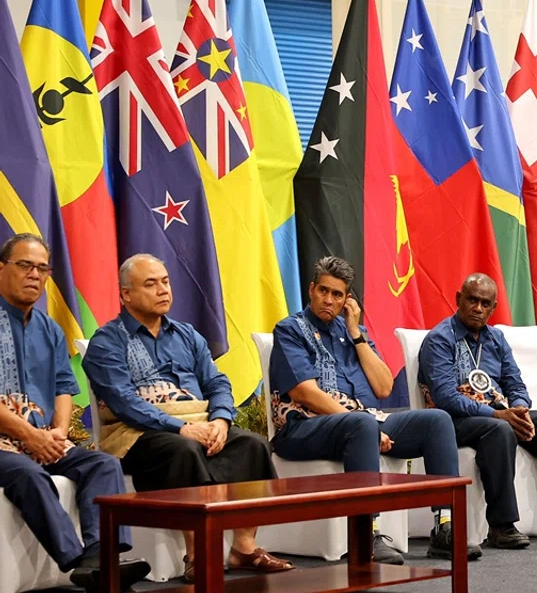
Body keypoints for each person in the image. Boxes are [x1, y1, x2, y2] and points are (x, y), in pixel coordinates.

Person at [82, 254, 293, 582]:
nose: (163, 290)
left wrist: (222, 421)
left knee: (251, 444)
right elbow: (123, 402)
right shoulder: (107, 342)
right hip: (139, 434)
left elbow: (217, 382)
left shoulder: (187, 335)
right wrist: (181, 427)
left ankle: (244, 548)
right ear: (126, 295)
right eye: (150, 284)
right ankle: (197, 555)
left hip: (200, 423)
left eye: (165, 281)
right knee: (183, 449)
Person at [270, 256, 478, 563]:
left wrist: (356, 335)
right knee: (362, 425)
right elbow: (306, 393)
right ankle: (367, 534)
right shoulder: (290, 330)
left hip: (362, 423)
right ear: (311, 290)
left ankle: (445, 527)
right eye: (323, 291)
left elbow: (382, 388)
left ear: (347, 300)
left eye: (337, 295)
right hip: (303, 427)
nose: (329, 300)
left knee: (436, 421)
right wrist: (365, 424)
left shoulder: (353, 333)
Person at [0, 234, 149, 592]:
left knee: (103, 464)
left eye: (42, 268)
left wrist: (58, 432)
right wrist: (29, 435)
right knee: (28, 474)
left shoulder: (49, 327)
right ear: (1, 268)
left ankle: (102, 556)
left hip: (41, 439)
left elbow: (64, 387)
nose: (34, 275)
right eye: (24, 265)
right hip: (7, 445)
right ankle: (80, 563)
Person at [418, 273, 537, 550]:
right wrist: (497, 415)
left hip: (500, 414)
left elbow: (515, 383)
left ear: (493, 308)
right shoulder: (439, 339)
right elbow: (446, 397)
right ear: (458, 299)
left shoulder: (496, 338)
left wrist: (520, 409)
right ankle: (501, 525)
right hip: (455, 420)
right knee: (498, 430)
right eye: (472, 300)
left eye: (485, 303)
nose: (477, 308)